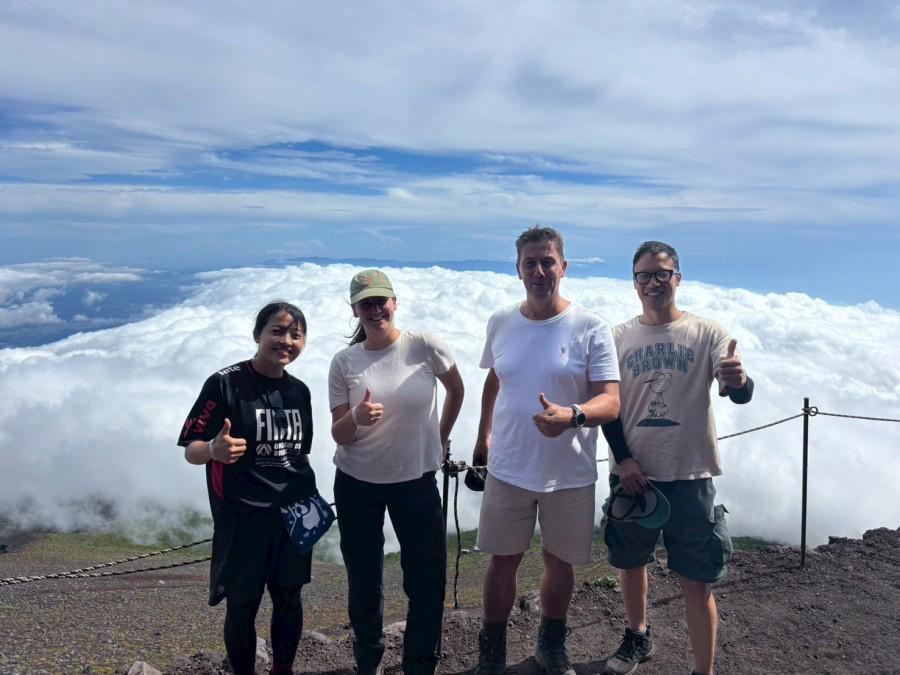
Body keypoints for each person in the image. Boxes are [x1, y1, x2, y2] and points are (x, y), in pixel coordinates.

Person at [600, 241, 754, 675]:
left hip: (691, 473)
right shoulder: (617, 337)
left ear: (678, 278)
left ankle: (702, 670)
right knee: (631, 564)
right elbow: (609, 406)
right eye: (644, 275)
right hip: (633, 473)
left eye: (661, 274)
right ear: (634, 283)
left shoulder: (707, 332)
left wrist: (738, 381)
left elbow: (736, 387)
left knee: (696, 579)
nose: (653, 283)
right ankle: (638, 636)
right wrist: (624, 460)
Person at [473, 226, 621, 675]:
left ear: (563, 267)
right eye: (530, 263)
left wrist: (573, 415)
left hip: (568, 472)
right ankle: (492, 651)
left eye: (547, 262)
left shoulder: (591, 327)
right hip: (509, 467)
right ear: (518, 270)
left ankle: (551, 646)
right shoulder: (500, 321)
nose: (539, 271)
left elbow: (610, 401)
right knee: (503, 561)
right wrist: (482, 435)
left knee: (559, 564)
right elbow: (495, 378)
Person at [328, 269, 465, 675]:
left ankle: (419, 665)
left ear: (395, 302)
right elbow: (340, 435)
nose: (375, 310)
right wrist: (357, 416)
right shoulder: (344, 362)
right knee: (364, 580)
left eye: (380, 301)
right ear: (355, 309)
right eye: (366, 303)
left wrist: (440, 439)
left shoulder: (424, 346)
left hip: (416, 480)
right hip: (356, 483)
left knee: (425, 582)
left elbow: (457, 389)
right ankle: (367, 660)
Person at [178, 301, 318, 675]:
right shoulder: (224, 383)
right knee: (242, 605)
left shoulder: (300, 392)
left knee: (290, 599)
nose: (286, 340)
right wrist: (212, 450)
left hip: (292, 517)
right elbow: (190, 449)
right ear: (258, 334)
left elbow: (299, 455)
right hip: (242, 519)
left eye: (296, 334)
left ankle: (283, 670)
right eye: (277, 331)